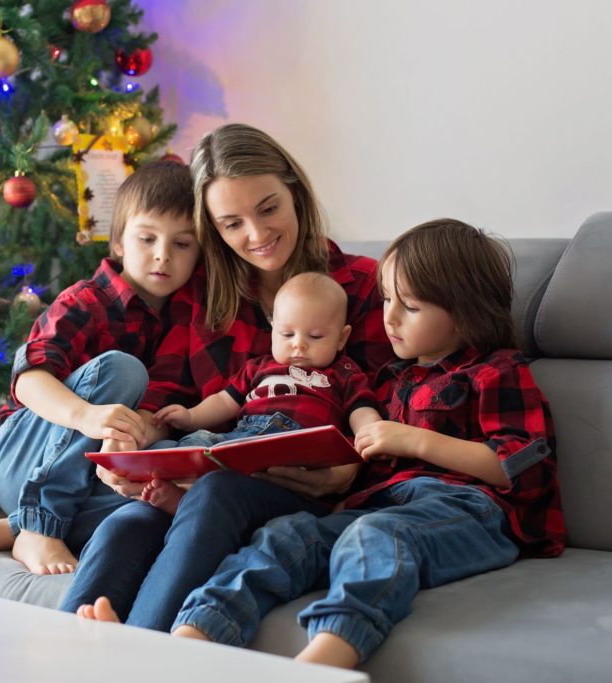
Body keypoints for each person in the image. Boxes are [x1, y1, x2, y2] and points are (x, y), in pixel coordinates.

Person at [156, 219, 565, 670]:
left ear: (466, 313)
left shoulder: (496, 371)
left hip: (473, 513)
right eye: (387, 298)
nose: (388, 317)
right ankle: (190, 641)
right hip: (382, 506)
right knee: (286, 536)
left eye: (408, 306)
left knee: (377, 535)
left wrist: (416, 440)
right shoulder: (393, 379)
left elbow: (522, 467)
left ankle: (324, 660)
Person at [59, 123, 395, 629]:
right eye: (231, 223)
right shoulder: (205, 297)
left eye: (268, 209)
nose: (256, 236)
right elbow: (167, 397)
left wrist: (351, 472)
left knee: (217, 493)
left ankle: (146, 654)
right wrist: (128, 445)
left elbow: (396, 407)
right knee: (124, 525)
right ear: (213, 229)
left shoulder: (363, 286)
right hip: (208, 483)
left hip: (306, 496)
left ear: (295, 195)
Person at [0, 161, 200, 574]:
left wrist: (133, 436)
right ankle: (40, 526)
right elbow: (29, 382)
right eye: (147, 238)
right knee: (123, 371)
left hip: (90, 474)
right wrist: (88, 416)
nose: (163, 254)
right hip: (22, 452)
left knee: (170, 471)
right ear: (118, 243)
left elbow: (163, 410)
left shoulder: (186, 324)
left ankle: (11, 530)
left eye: (182, 244)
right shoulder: (87, 301)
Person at [143, 272, 382, 514]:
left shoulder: (345, 373)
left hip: (298, 446)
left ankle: (189, 500)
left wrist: (372, 432)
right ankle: (184, 498)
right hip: (244, 438)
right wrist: (191, 417)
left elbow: (361, 409)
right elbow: (225, 401)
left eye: (315, 336)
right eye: (287, 334)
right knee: (196, 444)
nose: (298, 344)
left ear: (342, 338)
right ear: (273, 329)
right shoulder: (259, 367)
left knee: (236, 475)